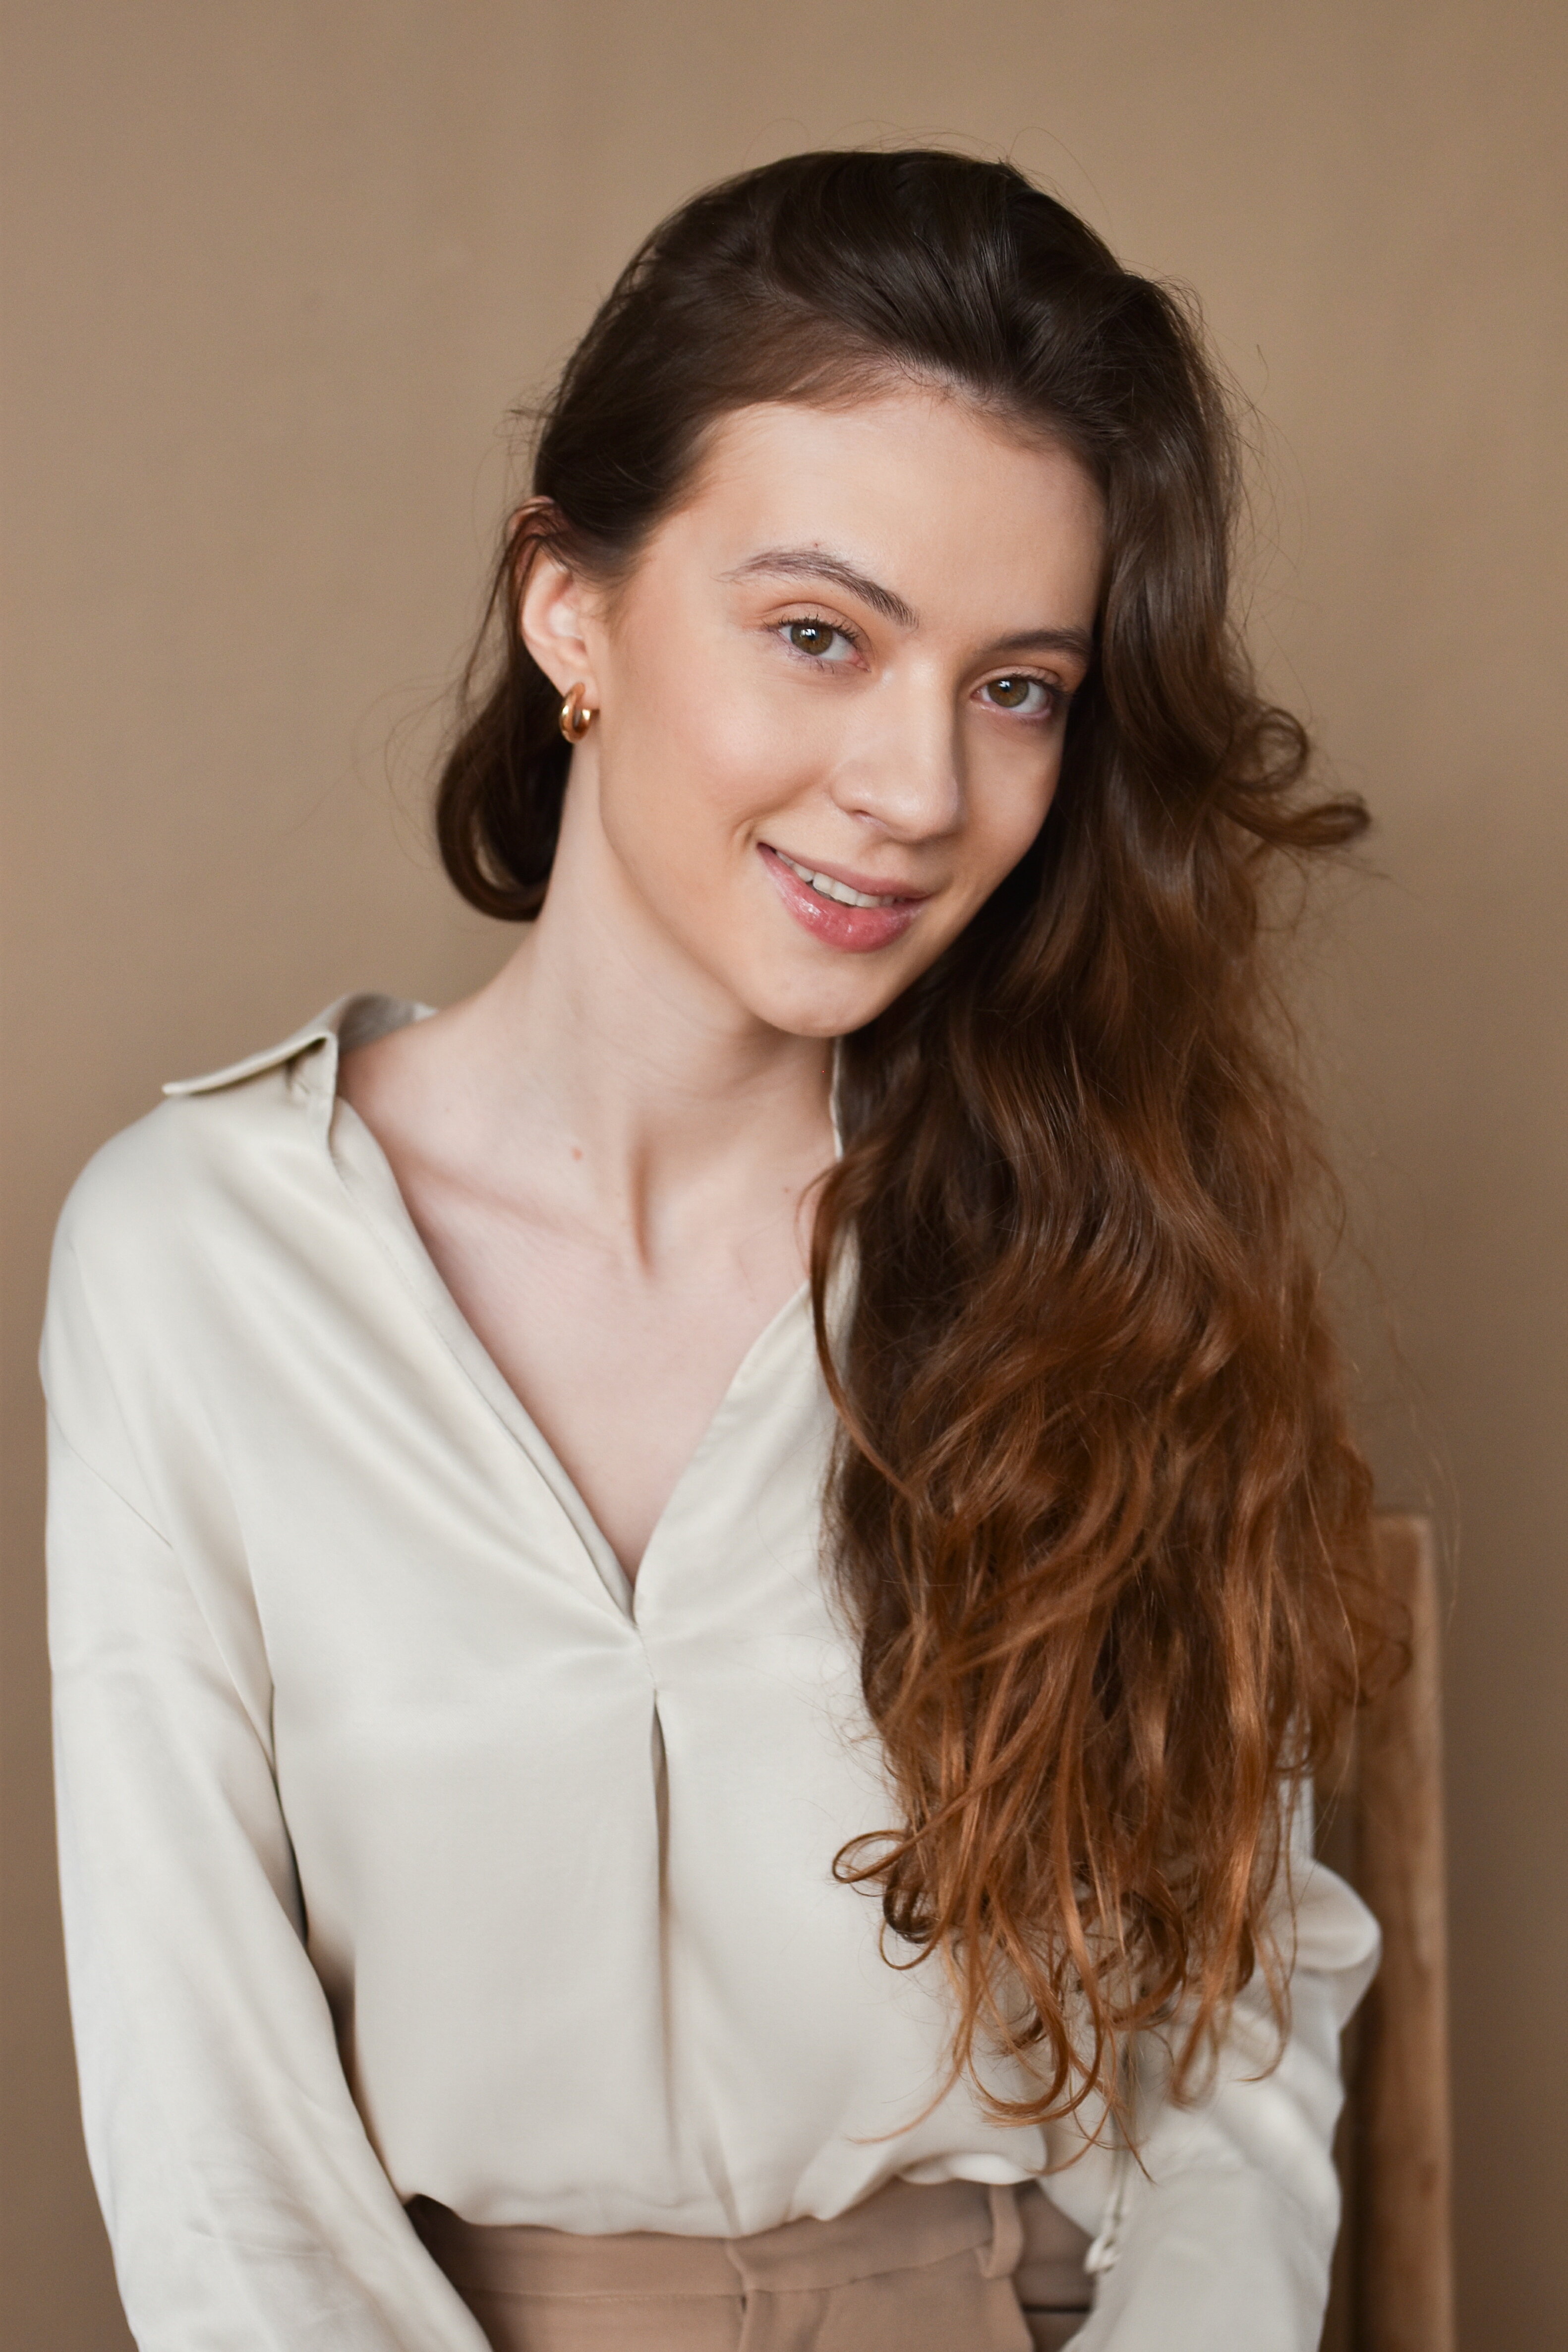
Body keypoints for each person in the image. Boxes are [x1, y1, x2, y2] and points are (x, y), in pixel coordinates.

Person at [42, 150, 1390, 2352]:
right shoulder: (196, 1264)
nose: (917, 788)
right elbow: (218, 2152)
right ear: (568, 608)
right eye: (818, 635)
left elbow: (1232, 2030)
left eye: (1017, 687)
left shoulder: (1108, 1246)